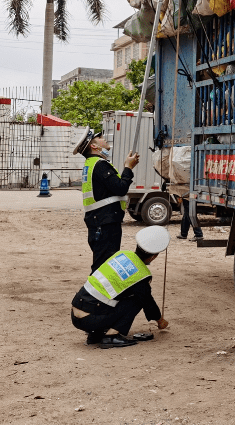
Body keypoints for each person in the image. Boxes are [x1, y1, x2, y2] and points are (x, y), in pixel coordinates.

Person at [71, 226, 170, 348]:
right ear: (153, 257)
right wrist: (160, 320)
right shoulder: (141, 274)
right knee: (137, 300)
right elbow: (147, 302)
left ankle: (96, 334)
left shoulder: (122, 254)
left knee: (116, 295)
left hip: (76, 314)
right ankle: (111, 336)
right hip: (90, 319)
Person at [73, 127, 140, 272]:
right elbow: (121, 188)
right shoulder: (100, 165)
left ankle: (99, 294)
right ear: (94, 146)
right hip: (104, 223)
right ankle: (90, 295)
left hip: (100, 221)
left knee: (104, 266)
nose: (105, 139)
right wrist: (128, 167)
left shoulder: (92, 164)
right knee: (102, 268)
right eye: (101, 138)